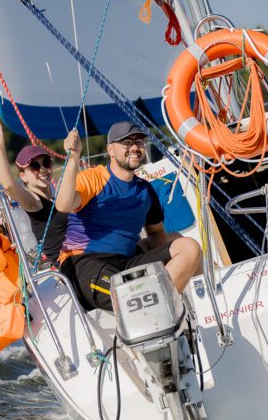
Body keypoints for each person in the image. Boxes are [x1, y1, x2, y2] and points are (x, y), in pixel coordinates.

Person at [55, 121, 202, 312]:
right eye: (126, 143)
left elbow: (157, 233)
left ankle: (199, 306)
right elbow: (63, 204)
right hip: (87, 263)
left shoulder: (145, 191)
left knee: (188, 246)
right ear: (111, 149)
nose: (134, 147)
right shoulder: (93, 178)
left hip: (127, 262)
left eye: (139, 142)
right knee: (128, 298)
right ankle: (160, 310)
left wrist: (168, 265)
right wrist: (74, 158)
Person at [0, 115, 67, 265]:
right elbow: (9, 185)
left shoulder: (60, 200)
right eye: (34, 167)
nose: (42, 169)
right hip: (65, 267)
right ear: (23, 176)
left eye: (46, 163)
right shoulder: (34, 202)